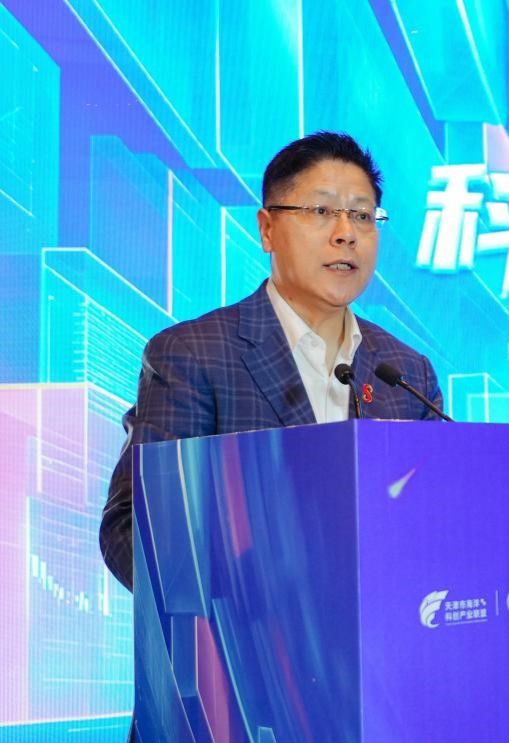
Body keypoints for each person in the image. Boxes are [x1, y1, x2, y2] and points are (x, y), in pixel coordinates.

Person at [99, 131, 444, 591]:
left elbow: (438, 520)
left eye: (362, 215)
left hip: (387, 631)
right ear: (267, 229)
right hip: (251, 631)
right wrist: (244, 609)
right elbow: (130, 531)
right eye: (321, 212)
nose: (346, 233)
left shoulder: (406, 372)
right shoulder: (193, 355)